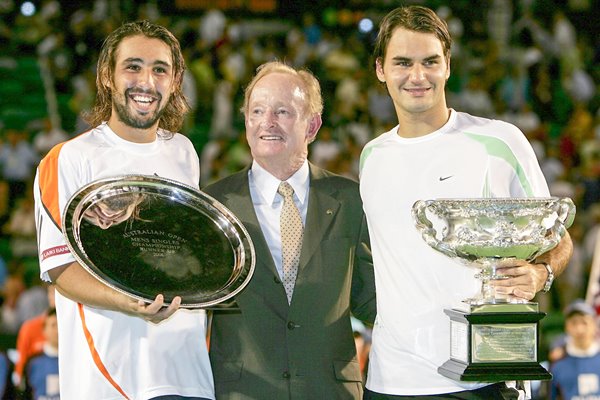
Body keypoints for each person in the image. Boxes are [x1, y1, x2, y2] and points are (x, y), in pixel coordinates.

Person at [359, 5, 574, 399]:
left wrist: (542, 275)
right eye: (403, 62)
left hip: (487, 372)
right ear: (381, 69)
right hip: (391, 380)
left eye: (430, 62)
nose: (417, 75)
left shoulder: (499, 141)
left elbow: (558, 236)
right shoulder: (372, 157)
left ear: (448, 66)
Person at [33, 20, 214, 400]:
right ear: (107, 76)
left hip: (187, 371)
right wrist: (130, 303)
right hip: (108, 378)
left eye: (159, 69)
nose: (146, 81)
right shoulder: (68, 159)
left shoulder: (184, 151)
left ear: (175, 79)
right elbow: (60, 269)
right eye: (133, 67)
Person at [202, 60, 377, 399]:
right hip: (240, 392)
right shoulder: (213, 204)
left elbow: (371, 300)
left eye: (282, 111)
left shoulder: (350, 200)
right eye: (256, 111)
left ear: (312, 126)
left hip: (330, 391)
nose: (267, 123)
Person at [549, 300, 600, 399]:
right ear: (566, 327)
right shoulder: (557, 364)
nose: (579, 329)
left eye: (584, 322)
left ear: (594, 325)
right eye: (574, 323)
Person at [23, 307, 59, 400]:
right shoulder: (33, 362)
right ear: (44, 330)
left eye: (60, 325)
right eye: (53, 325)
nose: (57, 331)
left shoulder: (75, 361)